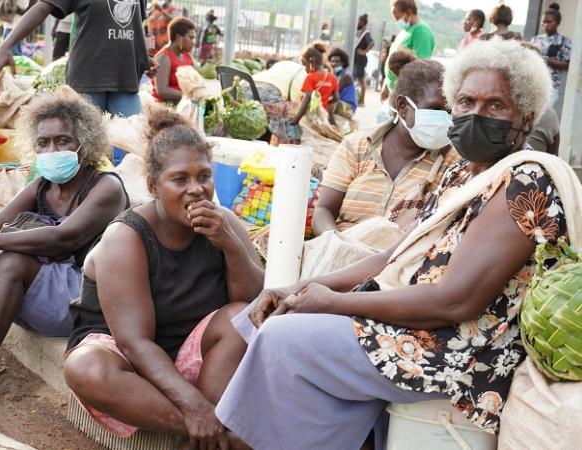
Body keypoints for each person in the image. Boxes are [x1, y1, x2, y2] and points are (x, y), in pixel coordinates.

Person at [214, 38, 574, 450]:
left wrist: (331, 302)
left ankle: (242, 438)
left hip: (459, 352)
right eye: (466, 101)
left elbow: (455, 303)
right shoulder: (462, 174)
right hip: (418, 321)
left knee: (283, 342)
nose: (476, 115)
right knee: (255, 319)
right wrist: (295, 289)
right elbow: (395, 256)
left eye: (496, 106)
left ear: (526, 119)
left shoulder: (525, 181)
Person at [63, 106, 264, 449]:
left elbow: (255, 302)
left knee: (242, 315)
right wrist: (194, 408)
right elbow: (134, 342)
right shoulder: (127, 237)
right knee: (86, 368)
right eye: (180, 179)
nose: (196, 189)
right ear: (154, 186)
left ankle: (203, 434)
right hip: (128, 362)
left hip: (196, 359)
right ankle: (208, 431)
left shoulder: (225, 223)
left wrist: (231, 246)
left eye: (204, 176)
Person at [0, 89, 130, 379]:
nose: (51, 151)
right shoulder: (42, 185)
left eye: (62, 140)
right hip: (39, 296)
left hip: (86, 299)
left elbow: (64, 238)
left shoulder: (106, 187)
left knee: (10, 260)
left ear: (83, 143)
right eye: (43, 143)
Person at [313, 50, 460, 236]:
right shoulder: (357, 145)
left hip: (401, 262)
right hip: (339, 254)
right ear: (402, 107)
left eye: (448, 111)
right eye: (434, 109)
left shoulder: (453, 163)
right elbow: (324, 210)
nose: (444, 118)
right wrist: (336, 246)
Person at [0, 0, 158, 123]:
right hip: (88, 79)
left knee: (133, 148)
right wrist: (6, 45)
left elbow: (133, 27)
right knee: (89, 154)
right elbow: (41, 8)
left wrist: (143, 57)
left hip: (124, 80)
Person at [242, 59, 306, 145]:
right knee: (290, 111)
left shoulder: (283, 65)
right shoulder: (305, 75)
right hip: (271, 92)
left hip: (245, 86)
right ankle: (284, 144)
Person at [381, 0, 434, 102]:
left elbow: (421, 67)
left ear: (408, 13)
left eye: (398, 17)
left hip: (405, 95)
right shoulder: (405, 31)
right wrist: (386, 84)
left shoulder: (421, 31)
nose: (396, 21)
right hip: (395, 91)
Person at [289, 41, 339, 128]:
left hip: (312, 116)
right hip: (324, 115)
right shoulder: (332, 77)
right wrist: (325, 102)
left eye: (305, 64)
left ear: (312, 61)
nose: (305, 69)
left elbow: (307, 97)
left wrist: (296, 119)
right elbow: (336, 98)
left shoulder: (311, 77)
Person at [531, 3, 571, 106]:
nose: (545, 25)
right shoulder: (536, 39)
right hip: (533, 84)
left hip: (551, 86)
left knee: (543, 115)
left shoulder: (563, 40)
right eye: (543, 22)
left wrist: (545, 60)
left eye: (549, 22)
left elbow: (567, 65)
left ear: (557, 23)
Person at [150, 17, 196, 104]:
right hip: (165, 106)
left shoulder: (187, 55)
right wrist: (189, 96)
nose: (193, 42)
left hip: (183, 102)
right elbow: (162, 90)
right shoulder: (164, 58)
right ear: (179, 37)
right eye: (191, 38)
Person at [329, 47, 357, 120]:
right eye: (332, 61)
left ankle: (333, 126)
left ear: (343, 63)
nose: (334, 64)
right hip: (340, 103)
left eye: (337, 61)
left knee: (327, 104)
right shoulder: (334, 74)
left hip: (348, 107)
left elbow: (332, 92)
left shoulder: (346, 75)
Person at [353, 14, 374, 107]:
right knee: (353, 78)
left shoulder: (366, 33)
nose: (357, 22)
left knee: (361, 79)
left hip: (360, 59)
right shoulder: (359, 32)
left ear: (362, 22)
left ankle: (362, 101)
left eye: (358, 21)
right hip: (356, 58)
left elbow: (372, 43)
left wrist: (364, 52)